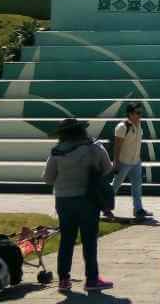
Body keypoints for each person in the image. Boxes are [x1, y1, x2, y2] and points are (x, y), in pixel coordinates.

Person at [42, 117, 114, 292]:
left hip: (64, 200)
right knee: (89, 241)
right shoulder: (94, 148)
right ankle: (92, 279)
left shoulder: (57, 152)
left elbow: (48, 178)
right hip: (88, 200)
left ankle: (64, 280)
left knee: (66, 240)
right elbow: (107, 169)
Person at [106, 103, 152, 220]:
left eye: (140, 113)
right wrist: (115, 163)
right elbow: (117, 147)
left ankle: (138, 210)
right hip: (124, 162)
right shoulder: (122, 127)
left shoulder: (139, 124)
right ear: (130, 114)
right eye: (137, 113)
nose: (139, 115)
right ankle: (105, 207)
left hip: (136, 161)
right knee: (115, 185)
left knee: (137, 187)